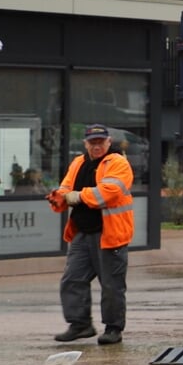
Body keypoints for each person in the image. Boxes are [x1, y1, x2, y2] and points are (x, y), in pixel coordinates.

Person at [47, 124, 135, 344]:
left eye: (100, 142)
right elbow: (66, 188)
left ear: (108, 142)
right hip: (82, 232)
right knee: (72, 279)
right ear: (85, 144)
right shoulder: (79, 162)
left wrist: (76, 197)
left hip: (110, 234)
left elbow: (108, 193)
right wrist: (60, 196)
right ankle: (80, 324)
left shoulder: (118, 162)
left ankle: (113, 329)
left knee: (111, 285)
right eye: (92, 142)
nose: (96, 146)